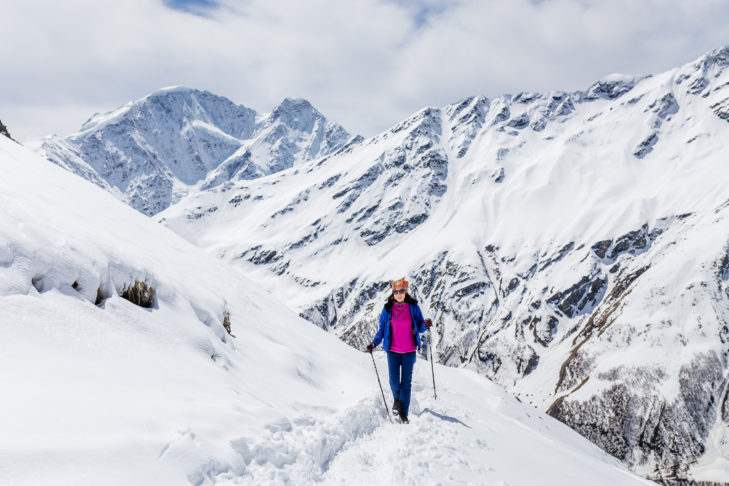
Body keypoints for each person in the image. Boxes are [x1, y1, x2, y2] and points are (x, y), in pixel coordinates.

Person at [366, 278, 432, 424]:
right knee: (394, 382)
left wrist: (426, 325)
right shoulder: (387, 309)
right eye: (396, 291)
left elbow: (420, 326)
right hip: (393, 351)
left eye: (401, 291)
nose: (399, 294)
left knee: (406, 383)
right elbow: (382, 330)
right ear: (393, 293)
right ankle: (397, 401)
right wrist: (374, 343)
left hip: (409, 351)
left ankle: (403, 414)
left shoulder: (413, 307)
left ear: (406, 291)